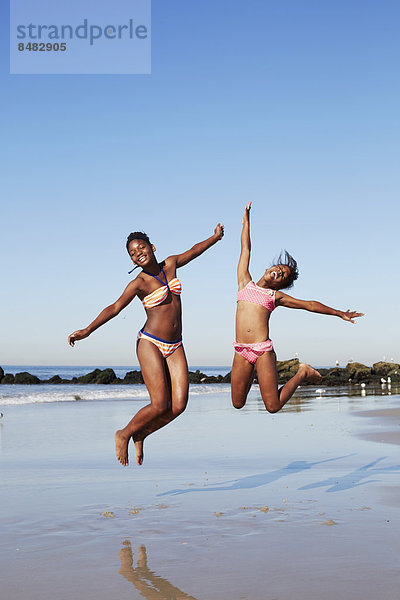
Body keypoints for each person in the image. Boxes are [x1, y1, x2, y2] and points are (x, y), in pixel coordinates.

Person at [68, 224, 224, 466]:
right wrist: (88, 330)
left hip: (175, 344)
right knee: (160, 404)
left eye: (141, 247)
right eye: (132, 252)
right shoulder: (138, 283)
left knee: (179, 405)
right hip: (150, 342)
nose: (137, 253)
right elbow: (114, 308)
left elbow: (194, 251)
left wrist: (215, 237)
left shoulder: (170, 264)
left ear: (152, 247)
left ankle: (141, 434)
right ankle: (124, 433)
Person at [231, 202, 363, 412]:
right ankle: (254, 374)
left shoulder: (274, 296)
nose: (279, 272)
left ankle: (302, 373)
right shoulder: (244, 282)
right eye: (279, 268)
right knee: (237, 403)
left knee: (273, 406)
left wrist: (339, 313)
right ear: (269, 268)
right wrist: (246, 219)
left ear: (279, 285)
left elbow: (309, 305)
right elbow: (245, 247)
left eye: (282, 276)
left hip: (262, 351)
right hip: (241, 349)